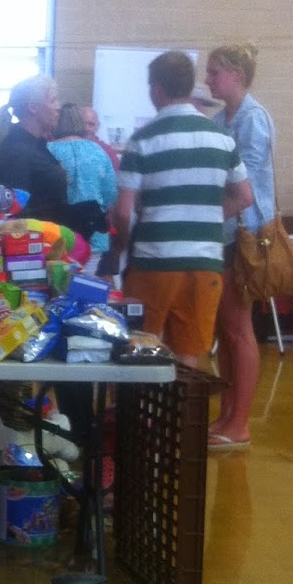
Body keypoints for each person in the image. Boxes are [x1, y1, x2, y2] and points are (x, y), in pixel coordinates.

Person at [114, 50, 253, 371]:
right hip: (205, 263)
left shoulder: (143, 139)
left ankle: (141, 406)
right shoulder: (221, 138)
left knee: (139, 351)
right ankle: (181, 404)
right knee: (189, 356)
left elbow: (123, 212)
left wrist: (119, 247)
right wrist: (206, 218)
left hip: (153, 262)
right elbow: (245, 196)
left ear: (156, 88)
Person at [206, 43, 275, 450]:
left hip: (244, 236)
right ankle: (227, 413)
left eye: (215, 72)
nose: (208, 80)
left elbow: (243, 185)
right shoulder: (220, 119)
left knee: (238, 328)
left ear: (237, 74)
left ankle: (241, 422)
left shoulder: (253, 118)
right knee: (225, 329)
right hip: (225, 235)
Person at [0, 76, 69, 221]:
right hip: (36, 233)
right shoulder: (17, 151)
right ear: (33, 108)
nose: (58, 107)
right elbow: (16, 214)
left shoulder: (36, 146)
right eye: (53, 101)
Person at [47, 103, 118, 265]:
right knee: (89, 279)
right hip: (94, 231)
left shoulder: (48, 150)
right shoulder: (98, 151)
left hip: (58, 234)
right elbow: (111, 195)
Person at [80, 105, 120, 171]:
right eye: (83, 124)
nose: (87, 128)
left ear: (97, 126)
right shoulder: (68, 148)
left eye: (91, 124)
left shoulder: (108, 152)